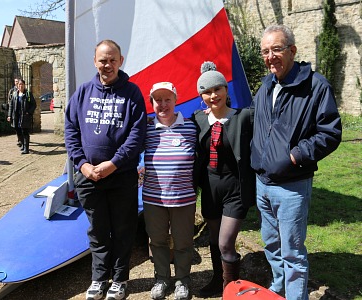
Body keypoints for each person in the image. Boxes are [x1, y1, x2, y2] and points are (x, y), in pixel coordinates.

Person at [250, 25, 342, 300]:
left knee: (292, 251)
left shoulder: (315, 85)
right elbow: (254, 118)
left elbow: (330, 132)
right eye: (265, 51)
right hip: (263, 182)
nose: (270, 56)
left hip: (292, 186)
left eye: (276, 49)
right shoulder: (267, 85)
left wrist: (296, 155)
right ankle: (278, 287)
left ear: (292, 50)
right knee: (271, 243)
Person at [64, 40, 147, 300]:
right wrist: (83, 164)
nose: (107, 65)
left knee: (123, 229)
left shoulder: (132, 93)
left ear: (120, 61)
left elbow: (136, 135)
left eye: (112, 60)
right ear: (94, 61)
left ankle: (120, 279)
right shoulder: (82, 93)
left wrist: (114, 164)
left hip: (121, 175)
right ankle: (99, 278)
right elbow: (70, 131)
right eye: (102, 60)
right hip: (89, 177)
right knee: (98, 230)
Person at [191, 62, 255, 297]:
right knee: (215, 240)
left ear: (226, 90)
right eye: (207, 92)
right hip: (209, 187)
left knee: (226, 243)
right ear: (201, 96)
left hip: (235, 188)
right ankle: (217, 282)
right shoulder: (197, 119)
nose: (213, 95)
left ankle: (231, 288)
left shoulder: (244, 117)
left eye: (217, 89)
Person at [143, 82, 197, 300]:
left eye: (167, 99)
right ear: (152, 103)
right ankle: (162, 278)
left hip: (183, 199)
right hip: (153, 198)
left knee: (183, 242)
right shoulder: (145, 129)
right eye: (158, 100)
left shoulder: (192, 127)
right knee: (157, 241)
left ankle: (183, 280)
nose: (163, 104)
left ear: (176, 100)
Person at [7, 79, 36, 154]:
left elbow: (33, 105)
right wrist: (9, 115)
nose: (21, 86)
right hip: (16, 116)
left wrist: (29, 112)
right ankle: (23, 145)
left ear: (24, 85)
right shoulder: (14, 94)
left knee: (25, 132)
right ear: (17, 86)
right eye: (19, 85)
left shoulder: (28, 94)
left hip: (25, 116)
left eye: (22, 84)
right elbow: (11, 105)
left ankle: (26, 149)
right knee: (18, 131)